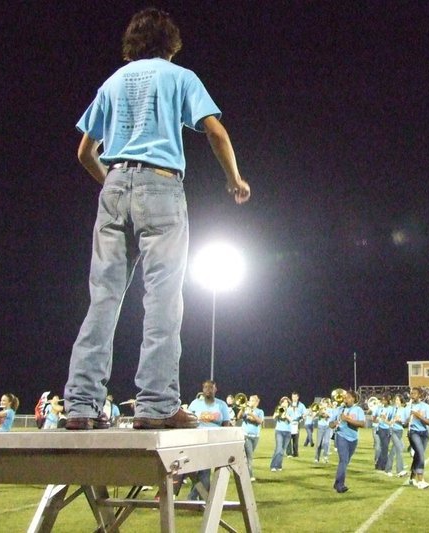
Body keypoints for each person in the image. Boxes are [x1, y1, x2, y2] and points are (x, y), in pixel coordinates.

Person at [63, 7, 250, 431]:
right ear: (171, 43)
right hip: (161, 187)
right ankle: (156, 404)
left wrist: (112, 185)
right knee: (163, 297)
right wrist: (235, 180)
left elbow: (84, 152)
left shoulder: (112, 81)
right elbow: (215, 132)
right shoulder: (179, 76)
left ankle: (80, 406)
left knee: (103, 299)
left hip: (113, 184)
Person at [186, 380, 231, 499]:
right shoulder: (195, 403)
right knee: (201, 471)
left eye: (211, 387)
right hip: (198, 440)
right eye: (205, 387)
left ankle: (195, 498)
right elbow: (188, 420)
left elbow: (226, 423)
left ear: (215, 389)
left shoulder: (221, 405)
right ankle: (202, 498)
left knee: (204, 471)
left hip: (214, 441)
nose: (208, 390)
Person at [330, 390, 365, 493]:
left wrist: (347, 419)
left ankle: (337, 483)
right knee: (343, 460)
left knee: (345, 462)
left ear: (353, 398)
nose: (345, 399)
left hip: (353, 438)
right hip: (341, 436)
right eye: (344, 397)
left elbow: (362, 424)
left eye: (348, 397)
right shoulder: (339, 409)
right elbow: (330, 424)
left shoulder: (358, 410)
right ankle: (340, 485)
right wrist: (335, 423)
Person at [406, 387, 429, 489]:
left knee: (418, 455)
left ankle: (412, 478)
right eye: (411, 394)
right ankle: (421, 480)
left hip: (424, 433)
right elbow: (404, 423)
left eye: (414, 394)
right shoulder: (408, 407)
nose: (412, 395)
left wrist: (418, 415)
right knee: (421, 454)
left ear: (420, 395)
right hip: (413, 432)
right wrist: (407, 418)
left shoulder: (426, 407)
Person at [237, 395, 264, 482]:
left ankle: (242, 472)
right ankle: (250, 475)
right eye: (250, 400)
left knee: (247, 456)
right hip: (246, 435)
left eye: (252, 400)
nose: (250, 402)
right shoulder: (246, 409)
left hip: (255, 436)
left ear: (257, 402)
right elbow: (239, 417)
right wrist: (242, 408)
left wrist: (251, 414)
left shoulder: (260, 411)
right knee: (249, 456)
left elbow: (260, 421)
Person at [384, 394, 408, 477]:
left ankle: (387, 469)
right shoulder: (392, 409)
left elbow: (405, 422)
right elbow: (385, 419)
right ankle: (400, 470)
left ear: (401, 401)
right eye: (396, 400)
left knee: (393, 450)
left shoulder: (404, 410)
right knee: (399, 448)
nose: (397, 401)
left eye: (398, 400)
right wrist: (390, 422)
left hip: (400, 431)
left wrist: (400, 420)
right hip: (392, 430)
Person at [270, 397, 291, 472]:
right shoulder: (280, 409)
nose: (285, 403)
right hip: (279, 431)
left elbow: (292, 420)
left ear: (288, 403)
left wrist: (286, 416)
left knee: (282, 450)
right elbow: (273, 417)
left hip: (288, 432)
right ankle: (273, 465)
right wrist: (277, 414)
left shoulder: (290, 410)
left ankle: (279, 465)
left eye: (286, 402)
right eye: (283, 402)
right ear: (281, 403)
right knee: (278, 448)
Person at [374, 395, 392, 471]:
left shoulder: (391, 409)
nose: (383, 401)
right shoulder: (379, 408)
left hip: (388, 429)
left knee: (384, 447)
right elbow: (374, 418)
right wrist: (377, 419)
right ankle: (383, 465)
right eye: (382, 400)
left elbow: (392, 419)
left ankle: (378, 464)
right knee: (384, 447)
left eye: (384, 400)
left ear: (388, 400)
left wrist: (386, 419)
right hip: (381, 429)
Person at [286, 392, 305, 457]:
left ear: (298, 397)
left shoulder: (301, 405)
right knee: (288, 438)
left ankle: (295, 453)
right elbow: (281, 411)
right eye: (293, 397)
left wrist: (302, 417)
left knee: (295, 439)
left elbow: (304, 413)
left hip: (297, 423)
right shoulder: (288, 404)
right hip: (288, 423)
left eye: (295, 397)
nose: (294, 398)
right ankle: (289, 453)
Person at [314, 398, 334, 463]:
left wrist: (326, 414)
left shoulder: (330, 410)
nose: (324, 404)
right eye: (323, 402)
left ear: (327, 404)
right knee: (318, 443)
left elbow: (332, 417)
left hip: (328, 427)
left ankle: (325, 457)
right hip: (320, 427)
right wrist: (318, 413)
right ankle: (317, 458)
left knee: (326, 442)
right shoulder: (319, 409)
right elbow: (313, 417)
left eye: (326, 403)